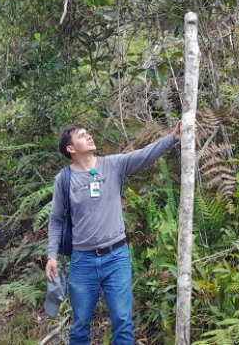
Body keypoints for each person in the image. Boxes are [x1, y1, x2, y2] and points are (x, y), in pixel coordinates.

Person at [45, 122, 181, 344]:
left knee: (122, 321)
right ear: (71, 149)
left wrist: (173, 137)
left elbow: (144, 155)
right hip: (82, 261)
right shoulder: (64, 180)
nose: (89, 136)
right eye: (82, 135)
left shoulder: (113, 165)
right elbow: (56, 220)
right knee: (80, 325)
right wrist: (52, 256)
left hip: (116, 257)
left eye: (88, 132)